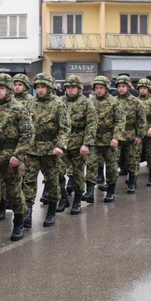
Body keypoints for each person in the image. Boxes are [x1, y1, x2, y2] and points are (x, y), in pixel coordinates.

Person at [19, 74, 71, 223]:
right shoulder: (30, 103)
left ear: (50, 88)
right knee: (28, 180)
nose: (40, 90)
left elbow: (65, 128)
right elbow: (24, 125)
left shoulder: (58, 104)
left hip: (50, 149)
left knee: (52, 181)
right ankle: (28, 212)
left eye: (43, 87)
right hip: (32, 149)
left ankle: (51, 211)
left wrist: (60, 145)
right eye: (38, 87)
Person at [0, 74, 32, 239]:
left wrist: (18, 155)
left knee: (14, 193)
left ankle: (18, 223)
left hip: (11, 157)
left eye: (2, 88)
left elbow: (27, 133)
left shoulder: (18, 108)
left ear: (8, 89)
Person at [60, 75, 95, 212]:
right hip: (62, 142)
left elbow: (91, 125)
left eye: (73, 87)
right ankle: (63, 198)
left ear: (79, 88)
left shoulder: (86, 103)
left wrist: (86, 144)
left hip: (78, 142)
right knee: (57, 172)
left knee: (78, 173)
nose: (70, 89)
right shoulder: (60, 101)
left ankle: (77, 200)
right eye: (68, 87)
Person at [88, 75, 124, 197]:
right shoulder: (90, 102)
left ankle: (111, 191)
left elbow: (120, 120)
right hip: (93, 140)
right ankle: (89, 191)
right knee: (91, 164)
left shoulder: (114, 102)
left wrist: (116, 137)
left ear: (106, 88)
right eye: (96, 88)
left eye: (101, 88)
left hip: (109, 139)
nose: (98, 90)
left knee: (111, 166)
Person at [115, 75, 147, 192]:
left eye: (123, 86)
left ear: (128, 87)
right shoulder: (113, 101)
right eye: (119, 86)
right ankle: (111, 184)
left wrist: (139, 135)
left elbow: (141, 120)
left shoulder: (136, 102)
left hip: (131, 135)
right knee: (113, 161)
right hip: (116, 136)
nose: (121, 88)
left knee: (132, 160)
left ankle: (132, 183)